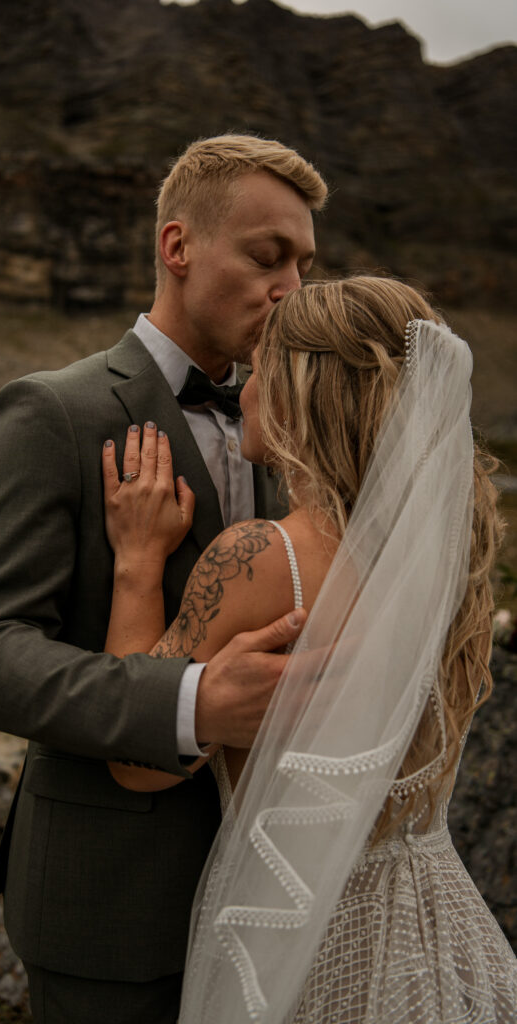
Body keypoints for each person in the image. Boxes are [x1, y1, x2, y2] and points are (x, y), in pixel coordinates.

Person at [0, 134, 328, 1024]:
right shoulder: (53, 412)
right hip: (108, 901)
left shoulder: (287, 428)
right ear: (178, 247)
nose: (291, 290)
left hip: (262, 903)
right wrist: (190, 705)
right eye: (268, 256)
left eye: (304, 265)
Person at [101, 276, 516, 1022]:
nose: (246, 389)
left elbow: (135, 761)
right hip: (441, 926)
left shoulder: (264, 557)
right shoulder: (454, 562)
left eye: (260, 370)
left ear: (298, 392)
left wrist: (137, 562)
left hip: (304, 933)